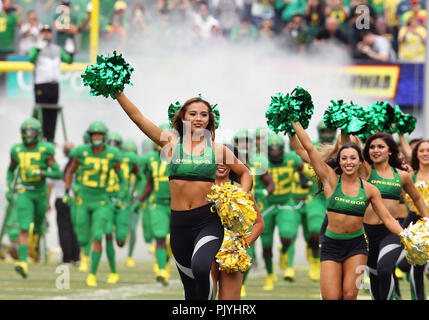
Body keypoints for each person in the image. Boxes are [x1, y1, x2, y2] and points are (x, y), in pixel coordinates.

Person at [113, 92, 252, 300]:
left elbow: (245, 173)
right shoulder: (171, 144)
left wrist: (241, 193)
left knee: (201, 267)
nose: (198, 118)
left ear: (209, 120)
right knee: (190, 290)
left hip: (207, 220)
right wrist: (118, 93)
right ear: (183, 118)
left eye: (204, 114)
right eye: (193, 113)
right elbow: (138, 118)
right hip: (179, 224)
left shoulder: (218, 149)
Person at [290, 121, 405, 300]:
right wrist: (292, 121)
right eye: (344, 158)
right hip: (331, 245)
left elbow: (388, 218)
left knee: (350, 295)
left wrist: (407, 236)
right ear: (339, 161)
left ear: (361, 161)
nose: (348, 162)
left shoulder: (369, 189)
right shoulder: (330, 180)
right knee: (331, 297)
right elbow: (309, 149)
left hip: (357, 247)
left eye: (353, 158)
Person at [360, 132, 429, 300]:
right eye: (372, 147)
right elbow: (347, 145)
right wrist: (347, 129)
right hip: (366, 233)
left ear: (390, 151)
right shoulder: (365, 170)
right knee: (375, 276)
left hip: (391, 232)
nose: (375, 150)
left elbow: (417, 198)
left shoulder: (402, 175)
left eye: (381, 147)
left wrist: (427, 220)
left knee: (385, 269)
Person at [64, 121, 125, 287]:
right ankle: (86, 257)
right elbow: (70, 171)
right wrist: (68, 190)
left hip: (102, 200)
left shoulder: (113, 154)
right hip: (83, 199)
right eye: (94, 135)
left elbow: (122, 179)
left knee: (99, 236)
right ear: (90, 137)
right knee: (83, 239)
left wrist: (120, 197)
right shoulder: (81, 152)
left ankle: (92, 274)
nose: (97, 138)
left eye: (99, 135)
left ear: (104, 137)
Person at [6, 118, 62, 278]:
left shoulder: (46, 150)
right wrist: (9, 187)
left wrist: (40, 172)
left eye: (31, 132)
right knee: (24, 227)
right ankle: (23, 263)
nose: (28, 135)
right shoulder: (16, 150)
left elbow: (57, 173)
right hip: (25, 192)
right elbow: (11, 170)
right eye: (26, 132)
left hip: (40, 192)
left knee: (37, 227)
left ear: (37, 134)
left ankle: (35, 245)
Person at [211, 144, 265, 300]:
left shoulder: (241, 189)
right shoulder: (201, 188)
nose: (222, 164)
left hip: (231, 253)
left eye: (227, 160)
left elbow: (259, 223)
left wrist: (242, 244)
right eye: (218, 159)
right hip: (206, 250)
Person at [261, 133, 302, 288]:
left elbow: (303, 169)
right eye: (273, 148)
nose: (276, 151)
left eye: (278, 148)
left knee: (286, 235)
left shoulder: (292, 158)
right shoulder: (262, 162)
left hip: (285, 202)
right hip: (267, 205)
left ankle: (284, 251)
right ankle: (270, 275)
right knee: (266, 244)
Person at [28, 24, 74, 143]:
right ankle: (38, 137)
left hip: (54, 85)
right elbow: (31, 60)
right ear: (40, 33)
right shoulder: (36, 47)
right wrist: (38, 49)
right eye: (43, 31)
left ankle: (50, 138)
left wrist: (71, 52)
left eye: (48, 31)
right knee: (40, 111)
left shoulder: (57, 49)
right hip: (41, 84)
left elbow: (68, 61)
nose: (46, 34)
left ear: (52, 34)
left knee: (53, 112)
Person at [48, 141, 80, 266]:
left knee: (64, 229)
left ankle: (67, 258)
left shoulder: (58, 164)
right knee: (74, 229)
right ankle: (76, 258)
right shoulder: (78, 163)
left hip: (61, 198)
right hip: (74, 199)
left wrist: (48, 201)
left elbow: (50, 184)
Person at [0, 0, 22, 95]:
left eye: (10, 3)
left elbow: (20, 24)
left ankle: (4, 96)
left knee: (6, 76)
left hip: (8, 49)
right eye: (6, 2)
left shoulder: (12, 16)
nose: (8, 4)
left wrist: (19, 13)